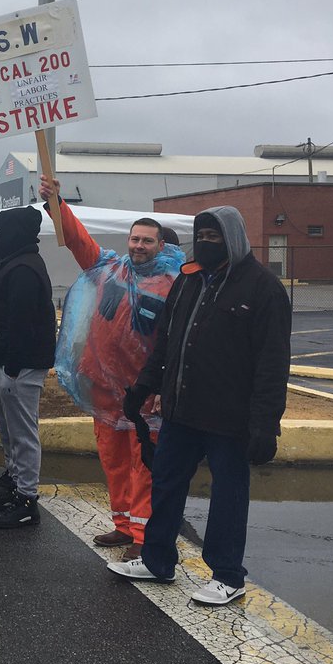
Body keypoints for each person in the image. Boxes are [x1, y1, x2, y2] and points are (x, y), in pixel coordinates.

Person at [108, 207, 291, 606]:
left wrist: (265, 425)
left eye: (215, 236)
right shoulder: (189, 281)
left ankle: (228, 575)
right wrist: (144, 387)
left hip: (229, 418)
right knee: (167, 484)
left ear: (234, 238)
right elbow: (167, 343)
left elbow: (273, 364)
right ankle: (157, 560)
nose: (206, 243)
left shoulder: (263, 289)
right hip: (181, 410)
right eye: (201, 235)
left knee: (228, 495)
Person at [38, 175, 185, 560]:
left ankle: (143, 535)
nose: (138, 245)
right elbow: (77, 240)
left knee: (145, 467)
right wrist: (57, 203)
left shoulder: (175, 284)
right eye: (134, 239)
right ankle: (123, 525)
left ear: (161, 245)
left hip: (144, 395)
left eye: (146, 240)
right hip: (104, 390)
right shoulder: (109, 267)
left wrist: (161, 388)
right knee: (114, 461)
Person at [0, 205, 56, 529]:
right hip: (2, 362)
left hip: (18, 366)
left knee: (22, 433)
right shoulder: (6, 262)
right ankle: (15, 480)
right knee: (8, 430)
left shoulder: (24, 268)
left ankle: (26, 499)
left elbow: (22, 323)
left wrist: (14, 367)